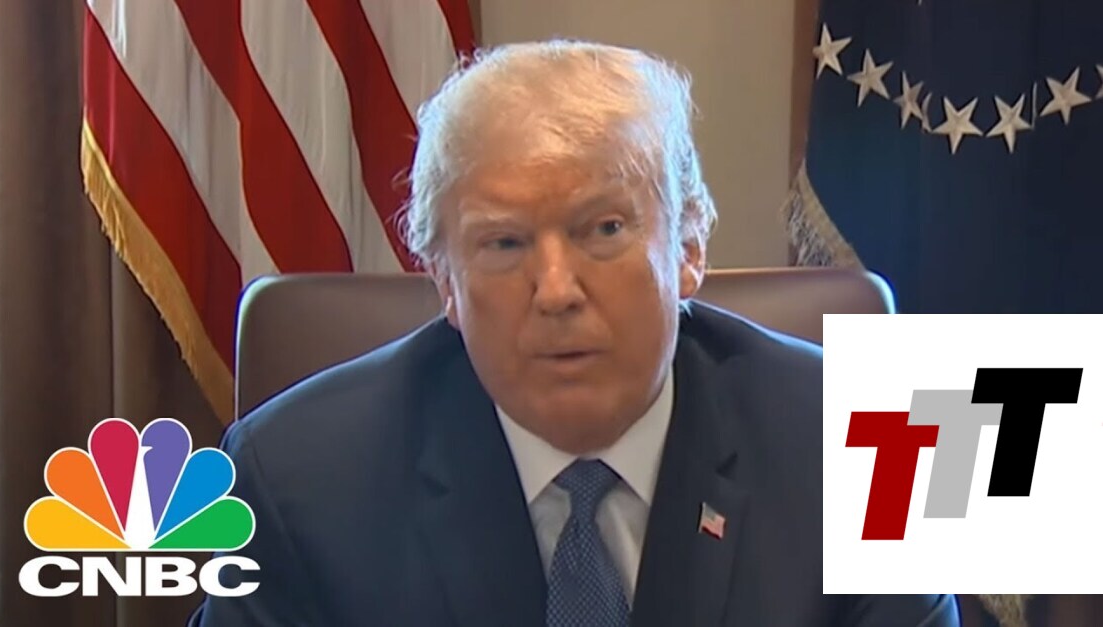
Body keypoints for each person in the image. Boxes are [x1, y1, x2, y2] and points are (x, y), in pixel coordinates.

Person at [190, 40, 959, 626]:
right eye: (503, 243)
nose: (556, 290)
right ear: (444, 280)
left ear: (689, 246)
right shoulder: (293, 479)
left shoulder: (875, 441)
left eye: (604, 229)